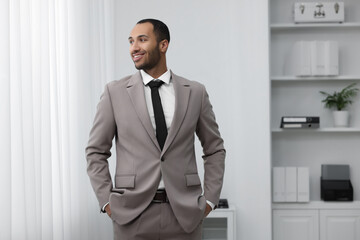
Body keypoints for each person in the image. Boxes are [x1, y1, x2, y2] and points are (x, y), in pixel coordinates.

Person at [86, 18, 225, 240]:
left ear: (163, 45)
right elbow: (96, 151)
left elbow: (215, 148)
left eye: (142, 40)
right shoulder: (115, 92)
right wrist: (107, 202)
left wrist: (209, 200)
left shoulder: (195, 92)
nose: (134, 48)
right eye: (131, 41)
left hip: (185, 214)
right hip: (131, 214)